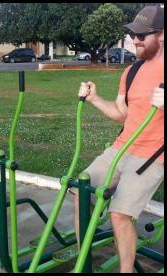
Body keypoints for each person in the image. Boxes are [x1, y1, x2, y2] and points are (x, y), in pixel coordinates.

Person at [74, 5, 164, 273]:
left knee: (119, 215)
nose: (135, 40)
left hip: (153, 156)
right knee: (80, 190)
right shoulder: (132, 71)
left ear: (162, 36)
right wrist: (94, 99)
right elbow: (120, 114)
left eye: (142, 35)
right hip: (121, 147)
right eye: (133, 34)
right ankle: (83, 261)